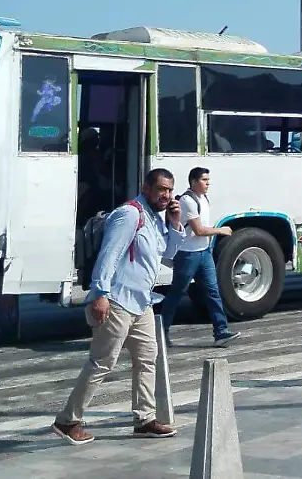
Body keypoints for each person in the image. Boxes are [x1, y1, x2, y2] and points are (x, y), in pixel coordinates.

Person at [52, 168, 187, 446]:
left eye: (170, 190)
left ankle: (145, 419)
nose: (166, 195)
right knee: (102, 362)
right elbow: (109, 254)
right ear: (146, 188)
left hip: (142, 302)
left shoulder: (155, 219)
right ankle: (68, 420)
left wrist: (175, 223)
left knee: (147, 359)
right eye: (161, 189)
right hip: (117, 300)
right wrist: (100, 293)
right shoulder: (130, 214)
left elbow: (168, 255)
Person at [161, 167, 241, 348]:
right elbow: (198, 230)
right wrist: (221, 230)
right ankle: (161, 331)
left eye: (208, 180)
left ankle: (221, 332)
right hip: (187, 254)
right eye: (204, 180)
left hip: (203, 253)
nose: (208, 183)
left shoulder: (203, 198)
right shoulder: (187, 201)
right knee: (176, 293)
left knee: (213, 292)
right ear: (193, 182)